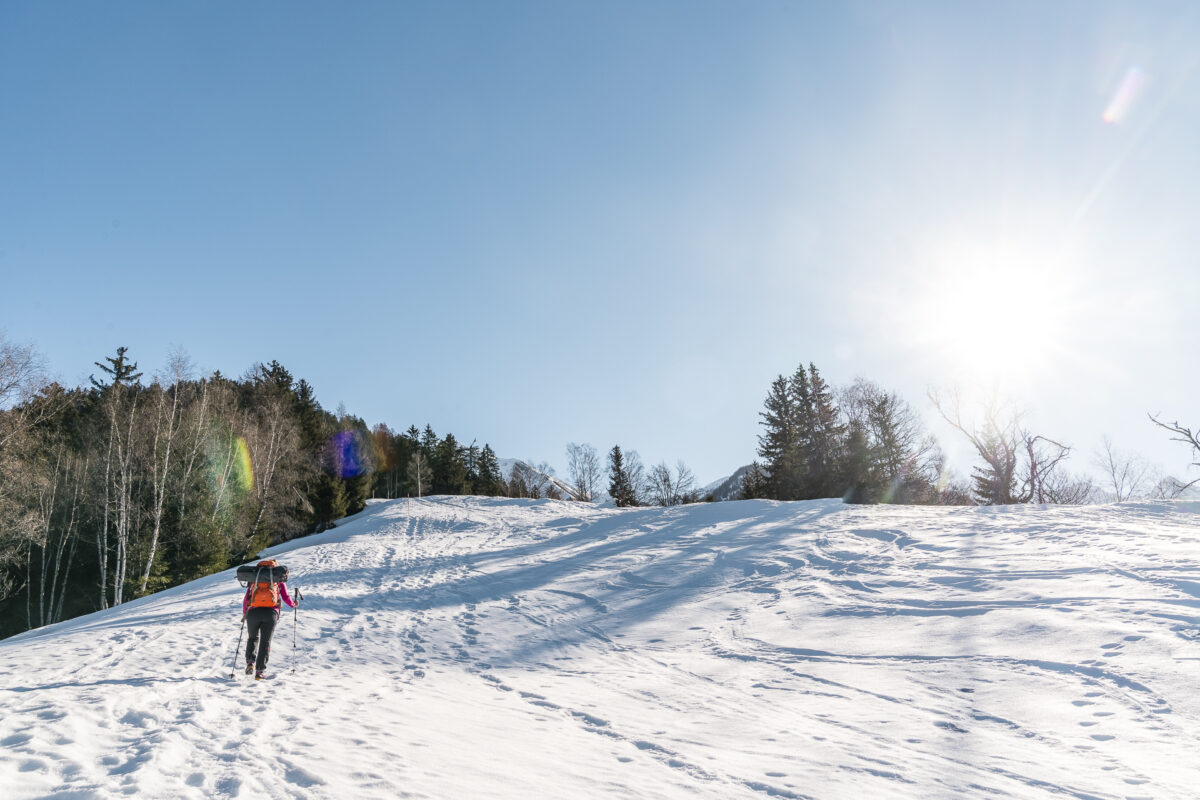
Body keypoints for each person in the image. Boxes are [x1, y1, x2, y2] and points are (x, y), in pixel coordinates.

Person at [242, 559, 296, 679]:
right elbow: (285, 596)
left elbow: (247, 598)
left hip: (253, 612)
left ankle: (250, 662)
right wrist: (293, 604)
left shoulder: (255, 578)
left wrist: (245, 614)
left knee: (252, 638)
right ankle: (259, 671)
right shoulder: (277, 577)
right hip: (270, 613)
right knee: (265, 641)